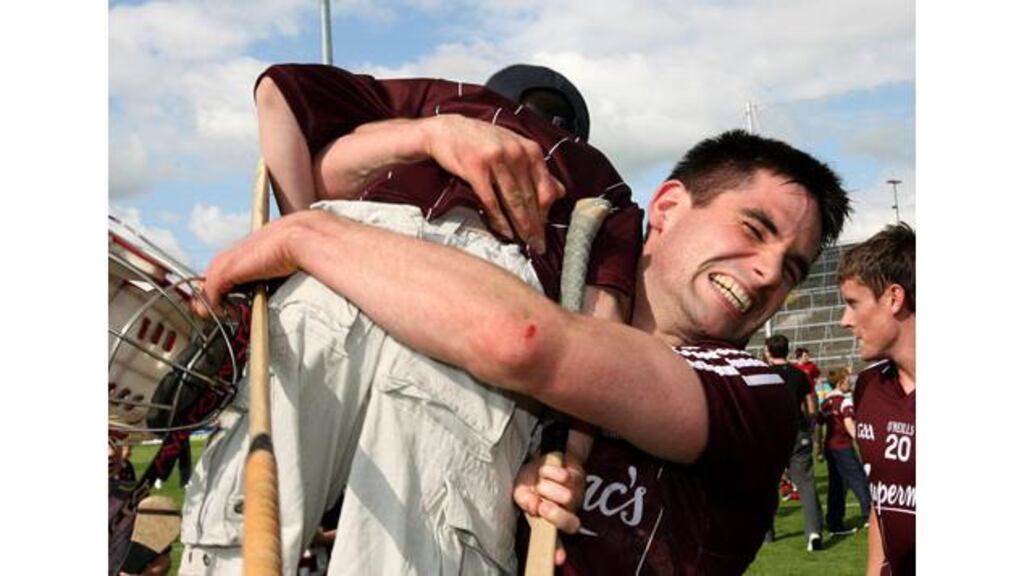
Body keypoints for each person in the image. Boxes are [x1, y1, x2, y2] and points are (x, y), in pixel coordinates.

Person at [195, 127, 851, 574]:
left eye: (792, 267)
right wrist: (429, 133)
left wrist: (313, 232)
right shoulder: (541, 344)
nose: (768, 272)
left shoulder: (756, 393)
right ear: (671, 205)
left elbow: (525, 343)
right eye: (754, 228)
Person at [180, 63, 643, 575]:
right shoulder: (596, 173)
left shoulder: (437, 98)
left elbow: (277, 95)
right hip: (482, 302)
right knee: (417, 556)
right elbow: (605, 325)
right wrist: (568, 455)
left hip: (351, 260)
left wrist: (300, 239)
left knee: (237, 540)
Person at [838, 223, 916, 575]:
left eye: (853, 303)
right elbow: (881, 497)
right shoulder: (868, 386)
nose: (845, 321)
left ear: (894, 298)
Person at [763, 334, 825, 551]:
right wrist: (810, 423)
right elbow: (811, 401)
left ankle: (767, 533)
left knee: (767, 485)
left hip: (771, 434)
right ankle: (814, 532)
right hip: (798, 431)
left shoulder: (763, 374)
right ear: (788, 351)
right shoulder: (799, 374)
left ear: (768, 352)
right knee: (806, 483)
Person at [818, 369, 871, 535]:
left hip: (830, 447)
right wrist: (860, 442)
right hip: (843, 447)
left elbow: (819, 426)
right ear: (840, 382)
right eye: (847, 380)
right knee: (859, 480)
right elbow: (849, 423)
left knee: (837, 485)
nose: (850, 383)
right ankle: (870, 515)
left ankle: (834, 522)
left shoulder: (825, 403)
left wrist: (819, 447)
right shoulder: (845, 401)